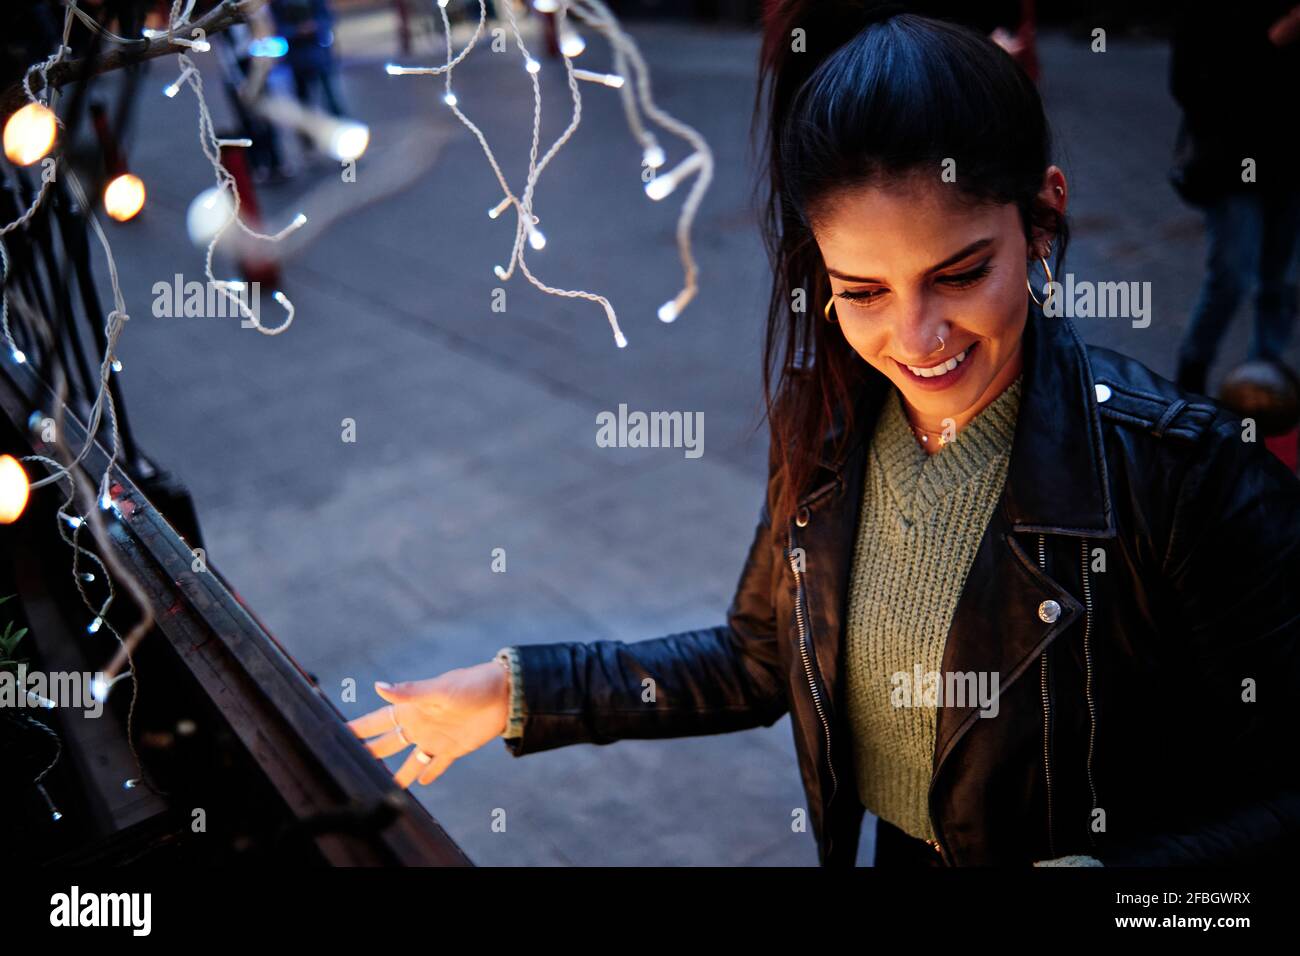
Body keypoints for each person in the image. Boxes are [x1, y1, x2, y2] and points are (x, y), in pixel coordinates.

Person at [349, 2, 1300, 866]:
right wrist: (516, 693)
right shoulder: (832, 426)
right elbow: (758, 660)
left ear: (1042, 220)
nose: (917, 338)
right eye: (864, 292)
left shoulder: (1187, 474)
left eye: (961, 274)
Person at [1169, 1, 1300, 394]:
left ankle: (1265, 385)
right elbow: (1189, 85)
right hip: (1228, 163)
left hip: (1289, 162)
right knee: (1232, 277)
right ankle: (1192, 374)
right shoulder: (1209, 11)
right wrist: (1272, 43)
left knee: (1282, 282)